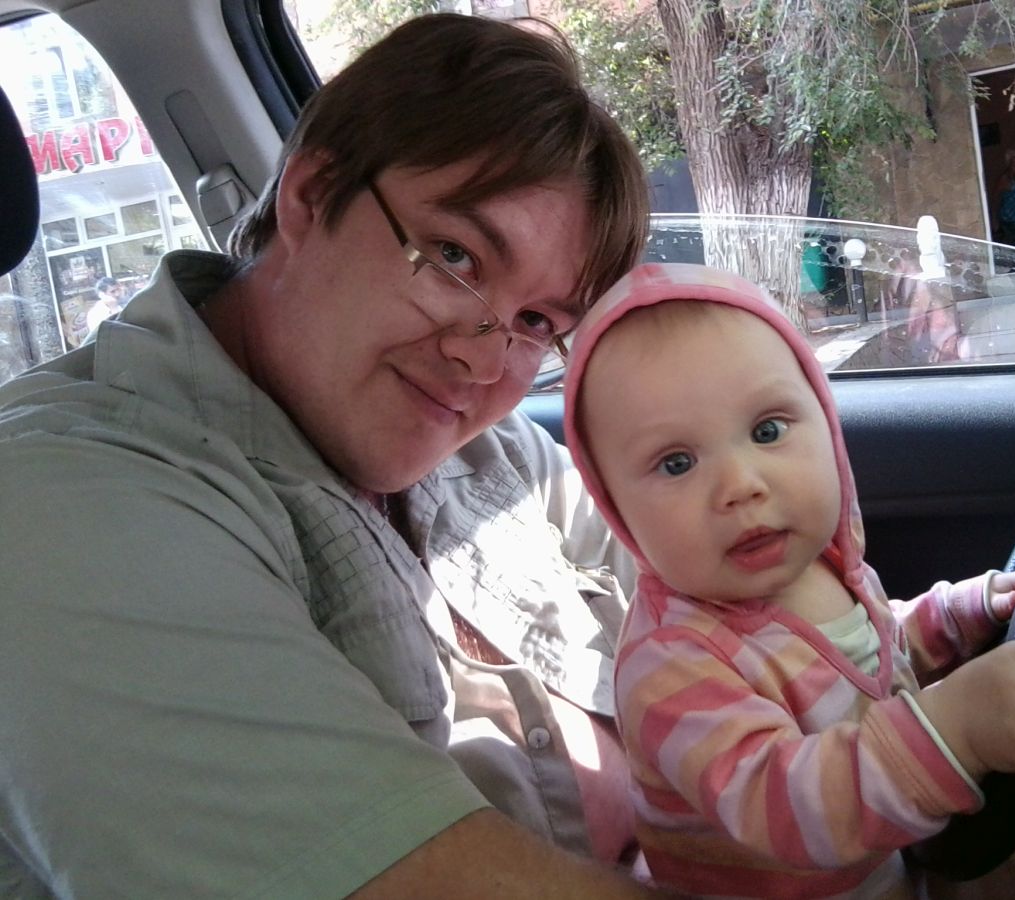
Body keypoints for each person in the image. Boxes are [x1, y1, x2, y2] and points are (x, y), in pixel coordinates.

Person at [0, 14, 671, 897]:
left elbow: (744, 600)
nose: (483, 361)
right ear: (313, 194)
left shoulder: (497, 456)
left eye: (537, 322)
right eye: (455, 257)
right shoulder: (67, 507)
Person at [562, 262, 1015, 898]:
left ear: (826, 424)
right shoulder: (670, 665)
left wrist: (959, 613)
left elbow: (873, 655)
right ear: (615, 508)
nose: (740, 485)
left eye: (767, 431)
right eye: (676, 463)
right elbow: (782, 806)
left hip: (898, 853)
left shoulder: (824, 567)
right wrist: (957, 730)